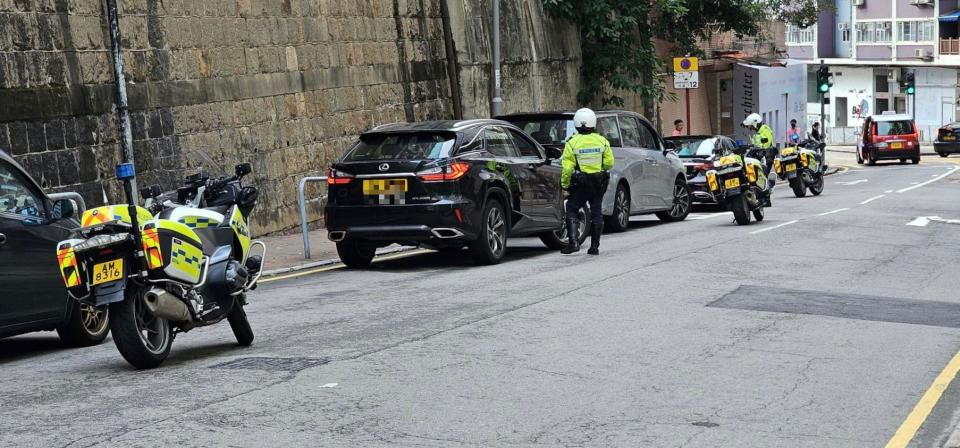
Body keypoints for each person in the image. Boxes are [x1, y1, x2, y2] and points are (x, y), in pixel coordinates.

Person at [560, 108, 615, 255]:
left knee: (571, 208)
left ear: (576, 123)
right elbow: (609, 163)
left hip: (581, 183)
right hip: (599, 182)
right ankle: (594, 247)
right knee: (596, 211)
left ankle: (573, 243)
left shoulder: (572, 143)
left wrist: (565, 185)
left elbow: (567, 168)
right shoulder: (602, 141)